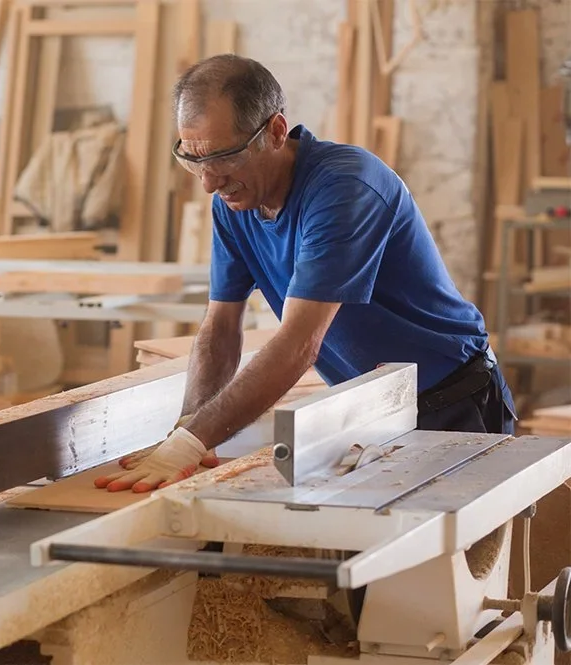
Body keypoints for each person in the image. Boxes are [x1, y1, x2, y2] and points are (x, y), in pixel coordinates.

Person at [95, 54, 517, 494]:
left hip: (452, 400)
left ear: (276, 131)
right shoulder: (234, 202)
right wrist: (187, 434)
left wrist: (190, 441)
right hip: (372, 407)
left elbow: (299, 343)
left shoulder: (345, 188)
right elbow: (220, 328)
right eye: (194, 160)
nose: (208, 183)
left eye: (224, 158)